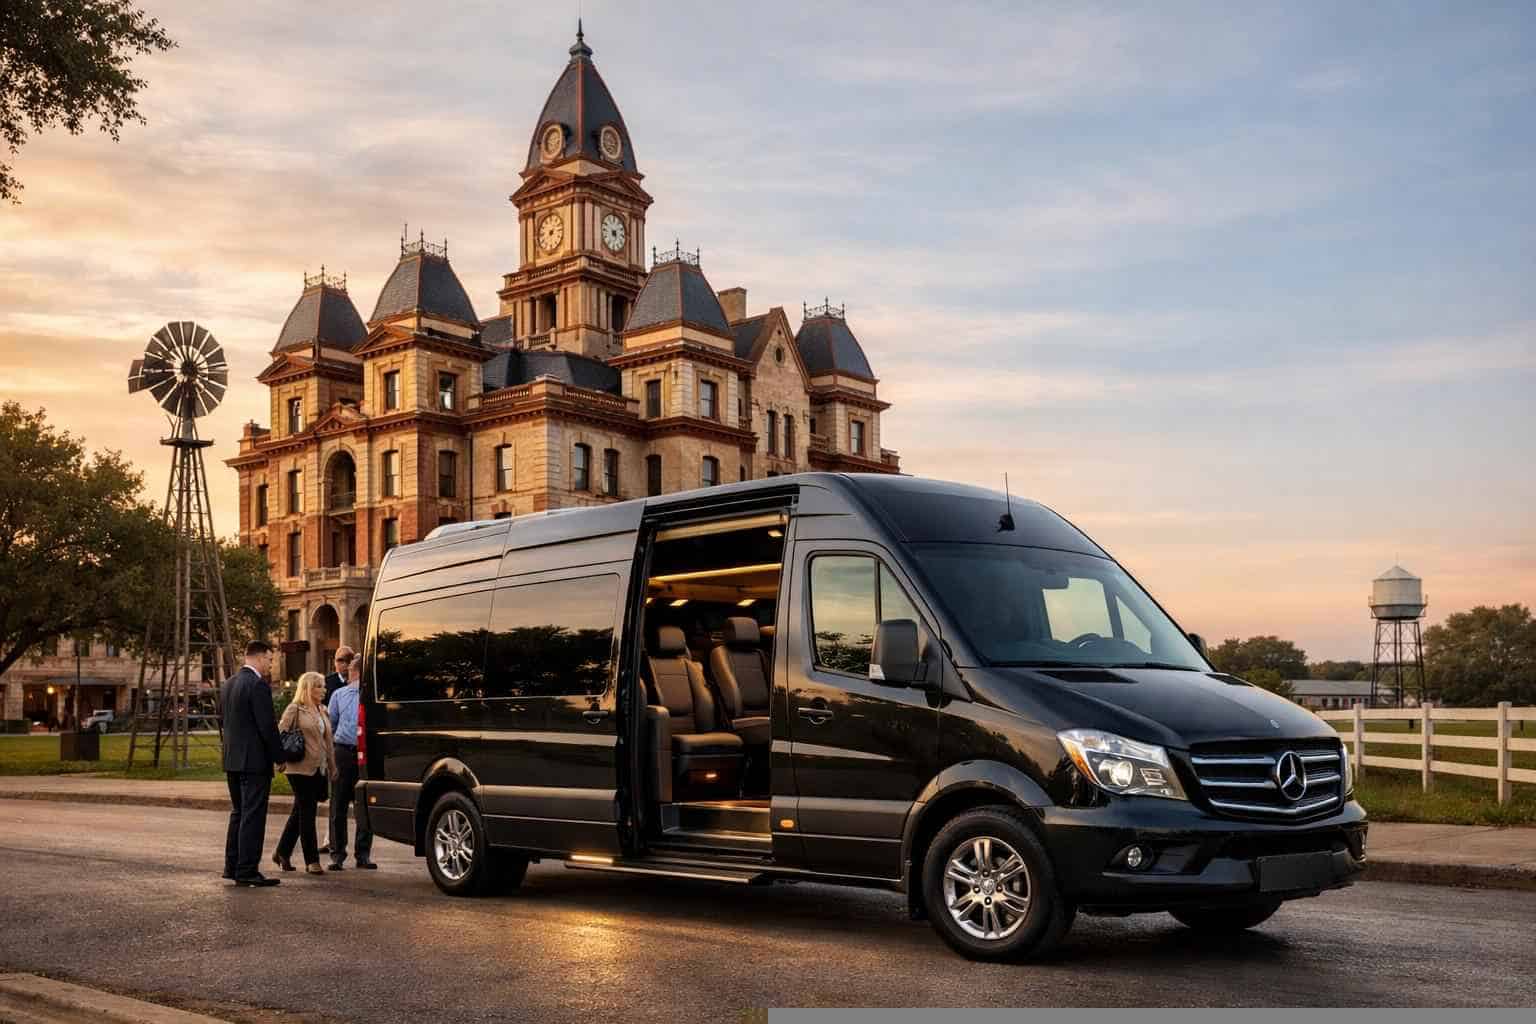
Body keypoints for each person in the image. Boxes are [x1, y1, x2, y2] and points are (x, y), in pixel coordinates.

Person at [222, 640, 285, 887]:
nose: (270, 664)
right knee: (252, 816)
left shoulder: (228, 684)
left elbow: (224, 721)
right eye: (269, 659)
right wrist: (279, 757)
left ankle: (232, 866)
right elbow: (267, 727)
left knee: (238, 813)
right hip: (254, 762)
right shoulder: (257, 685)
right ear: (259, 658)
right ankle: (247, 870)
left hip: (232, 759)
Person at [271, 671, 337, 875]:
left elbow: (328, 742)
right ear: (308, 688)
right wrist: (279, 761)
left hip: (318, 768)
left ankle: (282, 852)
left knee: (300, 810)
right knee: (307, 812)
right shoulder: (295, 709)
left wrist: (333, 766)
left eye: (324, 685)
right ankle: (312, 861)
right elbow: (280, 734)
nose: (324, 689)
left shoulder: (322, 710)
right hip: (298, 768)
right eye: (319, 686)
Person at [327, 654, 374, 870]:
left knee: (357, 804)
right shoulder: (339, 694)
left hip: (350, 751)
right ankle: (341, 853)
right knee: (342, 804)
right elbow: (331, 725)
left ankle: (358, 854)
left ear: (352, 672)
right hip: (347, 753)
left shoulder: (360, 695)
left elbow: (332, 726)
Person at [316, 648, 352, 856]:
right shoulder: (328, 683)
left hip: (348, 745)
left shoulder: (358, 682)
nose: (340, 664)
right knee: (334, 796)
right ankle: (331, 840)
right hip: (331, 742)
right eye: (338, 660)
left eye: (344, 660)